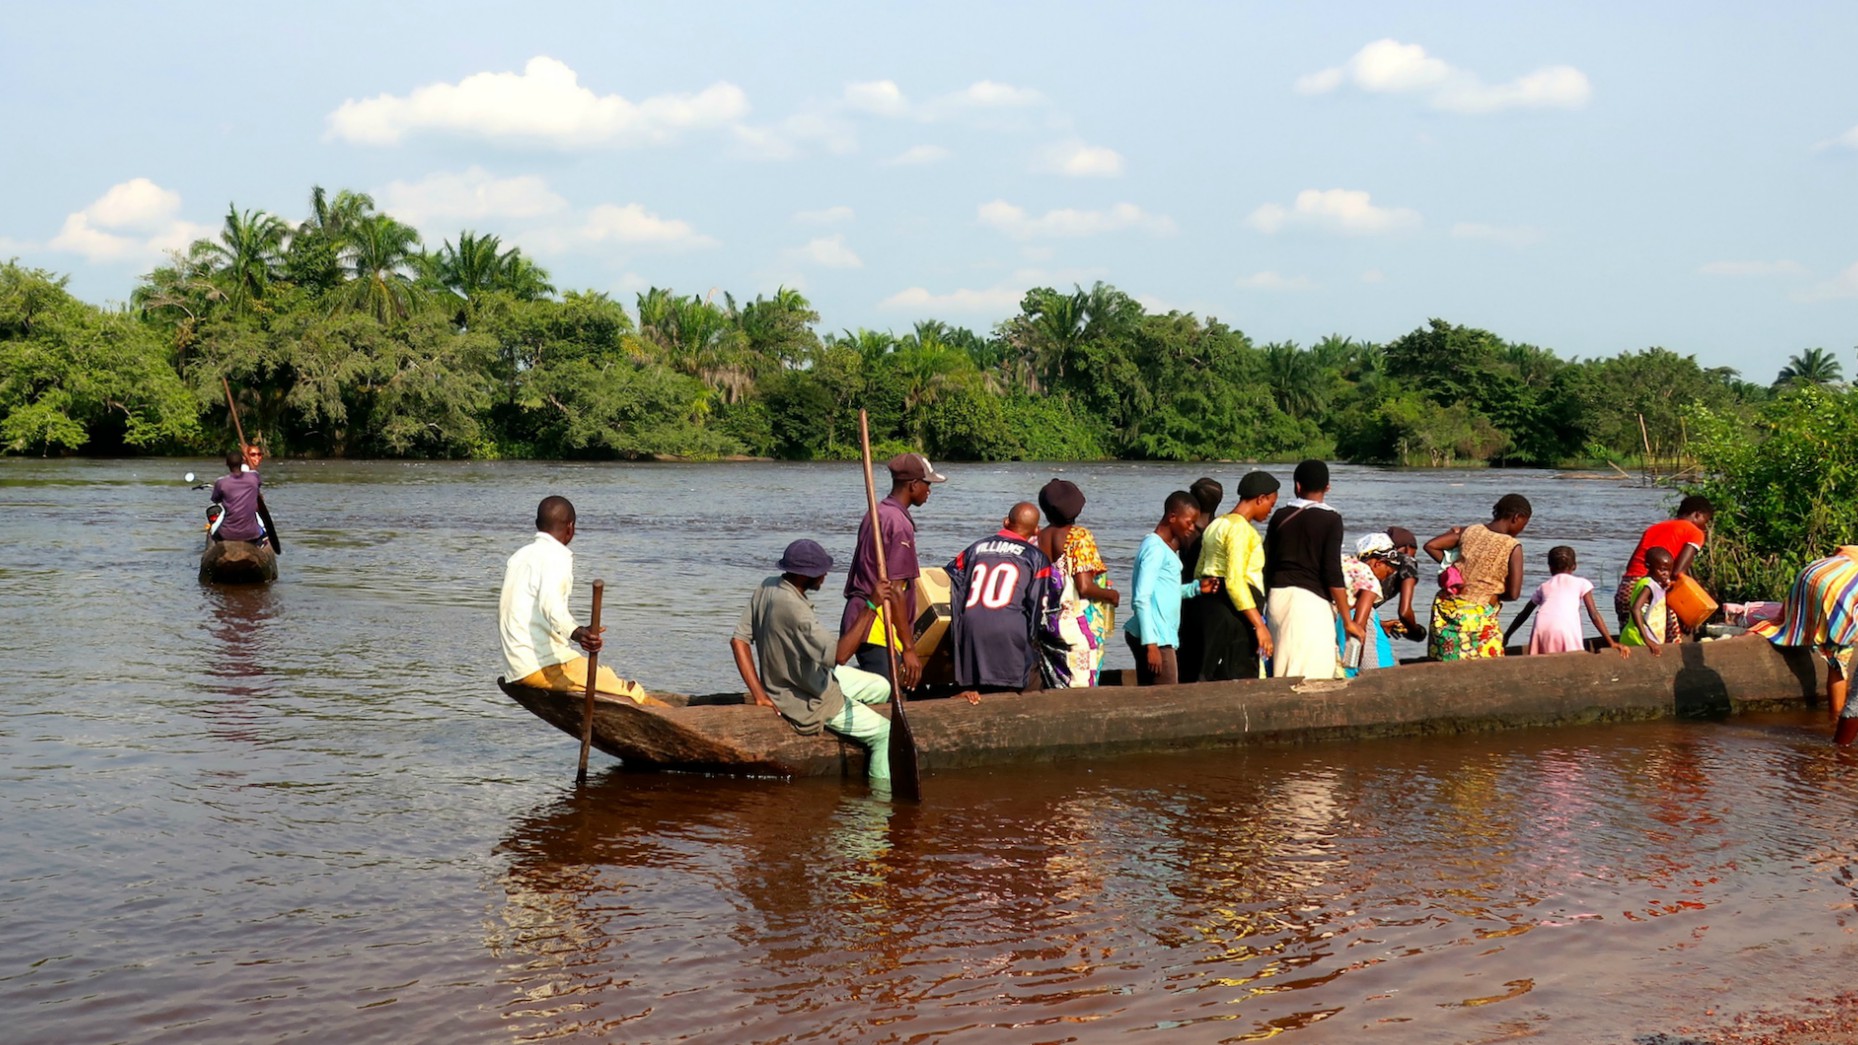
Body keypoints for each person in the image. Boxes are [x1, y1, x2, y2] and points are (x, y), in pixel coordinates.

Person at [731, 539, 898, 787]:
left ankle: (859, 719)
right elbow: (840, 655)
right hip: (811, 698)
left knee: (882, 687)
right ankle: (877, 805)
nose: (825, 575)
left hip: (814, 676)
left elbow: (739, 640)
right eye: (820, 572)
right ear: (805, 576)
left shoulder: (768, 586)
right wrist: (871, 606)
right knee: (885, 733)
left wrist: (759, 693)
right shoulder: (797, 612)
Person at [499, 496, 657, 704]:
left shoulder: (520, 556)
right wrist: (577, 633)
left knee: (611, 682)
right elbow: (552, 608)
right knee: (631, 693)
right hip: (542, 666)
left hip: (518, 665)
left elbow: (540, 610)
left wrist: (580, 629)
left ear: (538, 526)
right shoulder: (556, 557)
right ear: (571, 528)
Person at [843, 452, 945, 687]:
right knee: (888, 694)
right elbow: (896, 590)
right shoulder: (898, 525)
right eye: (927, 485)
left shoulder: (878, 512)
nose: (929, 491)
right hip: (877, 625)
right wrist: (909, 648)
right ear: (913, 485)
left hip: (860, 617)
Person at [945, 503, 1054, 700]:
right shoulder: (1036, 557)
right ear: (1036, 531)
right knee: (1031, 688)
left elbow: (952, 572)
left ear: (1006, 522)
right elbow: (1036, 606)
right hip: (1009, 631)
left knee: (979, 690)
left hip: (971, 629)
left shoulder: (976, 547)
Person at [1750, 546, 1858, 745]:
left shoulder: (1851, 551)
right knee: (1838, 658)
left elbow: (1840, 550)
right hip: (1838, 590)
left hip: (1809, 576)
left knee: (1790, 624)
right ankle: (1834, 720)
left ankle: (1837, 727)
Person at [1264, 460, 1359, 680]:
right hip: (1310, 604)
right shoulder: (1330, 519)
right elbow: (1332, 573)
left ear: (1297, 486)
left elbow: (1267, 565)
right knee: (1312, 673)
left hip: (1278, 599)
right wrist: (1347, 619)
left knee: (1284, 665)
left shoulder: (1280, 516)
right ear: (1327, 487)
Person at [1191, 470, 1279, 681]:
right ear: (1261, 498)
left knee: (1211, 671)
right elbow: (1234, 581)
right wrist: (1260, 625)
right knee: (1238, 675)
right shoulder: (1241, 530)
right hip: (1236, 614)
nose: (1269, 511)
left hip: (1211, 605)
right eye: (1271, 504)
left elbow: (1199, 571)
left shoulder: (1217, 524)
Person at [1125, 491, 1217, 686]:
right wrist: (1151, 645)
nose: (1192, 528)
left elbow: (1166, 590)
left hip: (1157, 635)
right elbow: (1141, 598)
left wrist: (1196, 588)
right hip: (1157, 638)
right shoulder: (1155, 550)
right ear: (1172, 517)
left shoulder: (1162, 548)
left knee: (1152, 696)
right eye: (1189, 522)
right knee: (1168, 697)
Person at [1426, 494, 1531, 661]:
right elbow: (1513, 594)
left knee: (1446, 661)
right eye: (1523, 524)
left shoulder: (1470, 530)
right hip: (1477, 618)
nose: (1522, 530)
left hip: (1447, 611)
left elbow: (1431, 545)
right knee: (1488, 665)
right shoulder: (1512, 546)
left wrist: (1452, 569)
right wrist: (1491, 593)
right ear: (1516, 518)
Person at [1037, 478, 1120, 687]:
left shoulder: (1038, 537)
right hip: (1075, 624)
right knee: (1083, 687)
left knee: (1055, 684)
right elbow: (1084, 587)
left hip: (1045, 623)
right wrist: (1111, 595)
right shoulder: (1078, 536)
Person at [1615, 496, 1714, 643]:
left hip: (1627, 587)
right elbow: (1677, 572)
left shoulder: (1654, 528)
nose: (1704, 526)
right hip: (1653, 589)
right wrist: (1686, 614)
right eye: (1705, 521)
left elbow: (1632, 565)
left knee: (1629, 636)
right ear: (1697, 514)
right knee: (1672, 637)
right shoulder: (1695, 532)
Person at [1504, 546, 1628, 657]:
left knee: (1544, 659)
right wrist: (1611, 642)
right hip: (1565, 628)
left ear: (1550, 567)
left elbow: (1524, 614)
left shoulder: (1544, 586)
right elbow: (1594, 614)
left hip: (1541, 627)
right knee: (1572, 658)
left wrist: (1507, 635)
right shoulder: (1582, 583)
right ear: (1574, 566)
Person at [1335, 534, 1409, 677]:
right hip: (1374, 661)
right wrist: (1352, 666)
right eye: (1388, 573)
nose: (1385, 578)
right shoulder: (1368, 580)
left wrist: (1380, 624)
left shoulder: (1346, 575)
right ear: (1378, 563)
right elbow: (1358, 627)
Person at [1175, 477, 1225, 682]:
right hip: (1213, 599)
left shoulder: (1185, 531)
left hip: (1186, 596)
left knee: (1187, 653)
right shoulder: (1219, 530)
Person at [1619, 547, 1674, 656]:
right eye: (1662, 569)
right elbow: (1635, 609)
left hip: (1647, 636)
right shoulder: (1648, 586)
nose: (1666, 574)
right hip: (1638, 638)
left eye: (1669, 570)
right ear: (1648, 566)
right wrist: (1647, 639)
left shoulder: (1656, 584)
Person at [209, 450, 268, 546]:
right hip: (252, 533)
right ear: (242, 462)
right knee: (265, 537)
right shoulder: (253, 477)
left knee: (213, 536)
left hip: (227, 533)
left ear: (227, 464)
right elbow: (255, 473)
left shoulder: (221, 482)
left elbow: (215, 499)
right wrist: (246, 454)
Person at [1381, 526, 1427, 643]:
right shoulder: (1407, 561)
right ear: (1407, 548)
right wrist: (1415, 631)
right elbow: (1404, 612)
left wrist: (1379, 624)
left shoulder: (1373, 561)